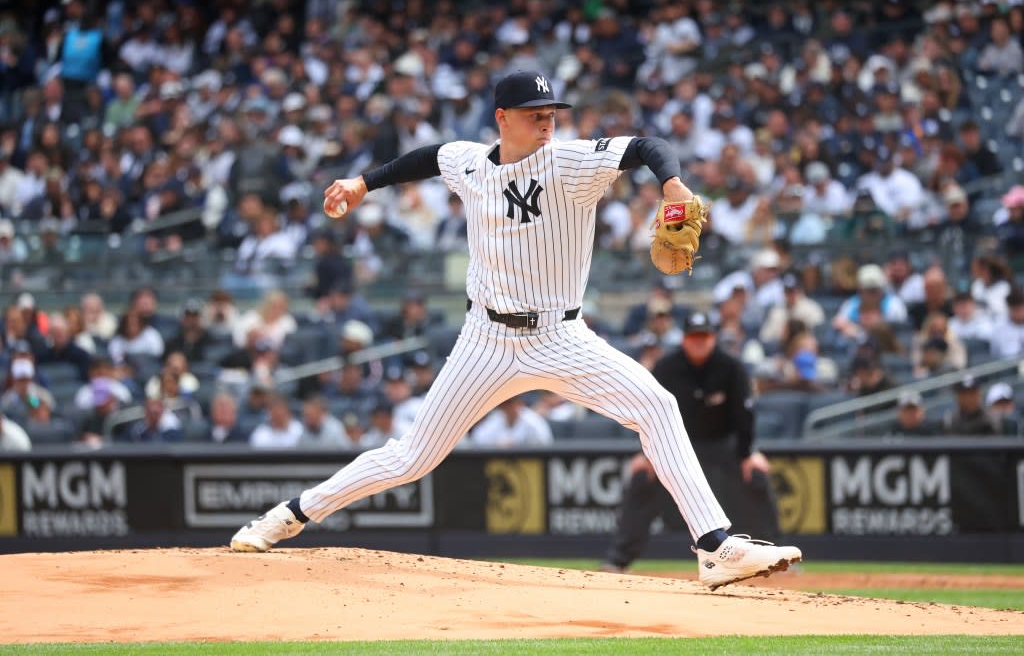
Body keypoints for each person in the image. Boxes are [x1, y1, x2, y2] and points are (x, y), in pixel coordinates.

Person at [230, 71, 801, 590]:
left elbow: (648, 146)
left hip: (562, 337)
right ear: (502, 118)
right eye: (534, 113)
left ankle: (713, 546)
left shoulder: (571, 162)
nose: (546, 121)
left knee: (657, 406)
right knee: (411, 459)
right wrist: (362, 182)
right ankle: (288, 516)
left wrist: (671, 184)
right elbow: (429, 158)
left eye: (550, 112)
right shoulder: (471, 162)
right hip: (486, 340)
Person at [604, 312, 781, 572]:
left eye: (704, 336)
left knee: (756, 476)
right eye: (693, 336)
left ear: (713, 338)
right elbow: (644, 409)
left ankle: (775, 554)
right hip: (675, 445)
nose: (699, 342)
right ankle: (618, 560)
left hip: (722, 444)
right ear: (684, 339)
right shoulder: (666, 367)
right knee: (643, 481)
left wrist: (747, 454)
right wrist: (645, 453)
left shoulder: (731, 367)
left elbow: (744, 414)